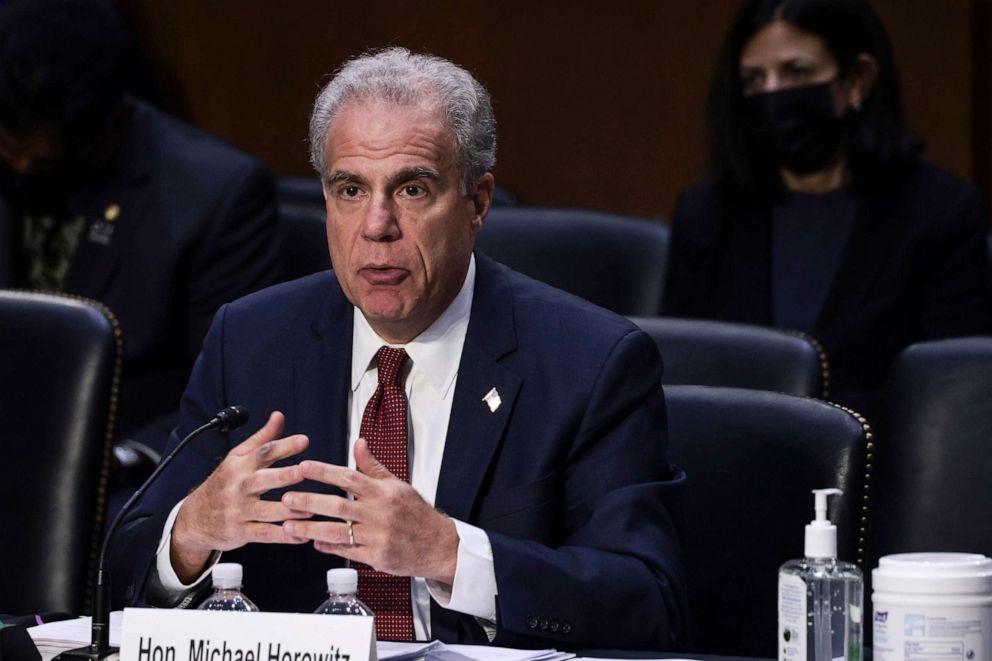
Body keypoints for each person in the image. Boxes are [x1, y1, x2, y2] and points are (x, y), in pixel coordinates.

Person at [109, 48, 687, 650]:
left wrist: (449, 554)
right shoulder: (251, 342)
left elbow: (647, 603)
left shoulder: (589, 363)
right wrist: (191, 533)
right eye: (351, 189)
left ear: (478, 203)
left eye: (411, 189)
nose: (377, 225)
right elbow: (122, 566)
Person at [663, 0, 992, 418]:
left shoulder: (941, 212)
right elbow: (679, 372)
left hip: (884, 470)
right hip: (735, 464)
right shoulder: (706, 212)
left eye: (797, 72)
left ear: (857, 79)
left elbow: (954, 391)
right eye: (753, 79)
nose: (772, 93)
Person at [0, 0, 282, 455]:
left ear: (113, 124)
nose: (21, 168)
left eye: (46, 164)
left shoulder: (217, 196)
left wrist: (121, 459)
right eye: (7, 151)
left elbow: (232, 396)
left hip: (115, 470)